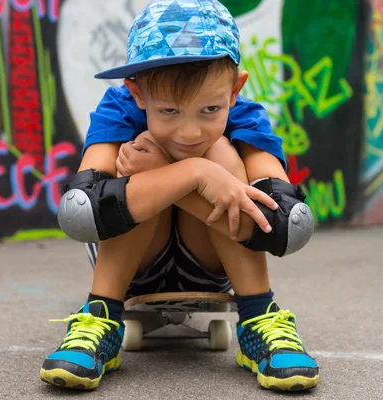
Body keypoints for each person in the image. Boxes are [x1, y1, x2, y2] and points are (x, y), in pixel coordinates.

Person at [40, 0, 318, 392]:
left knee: (219, 149)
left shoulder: (246, 115)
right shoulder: (119, 108)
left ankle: (259, 318)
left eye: (209, 108)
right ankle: (100, 314)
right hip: (137, 266)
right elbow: (83, 212)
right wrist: (193, 173)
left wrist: (187, 173)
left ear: (235, 87)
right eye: (169, 109)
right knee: (143, 149)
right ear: (137, 91)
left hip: (210, 256)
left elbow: (286, 225)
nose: (190, 132)